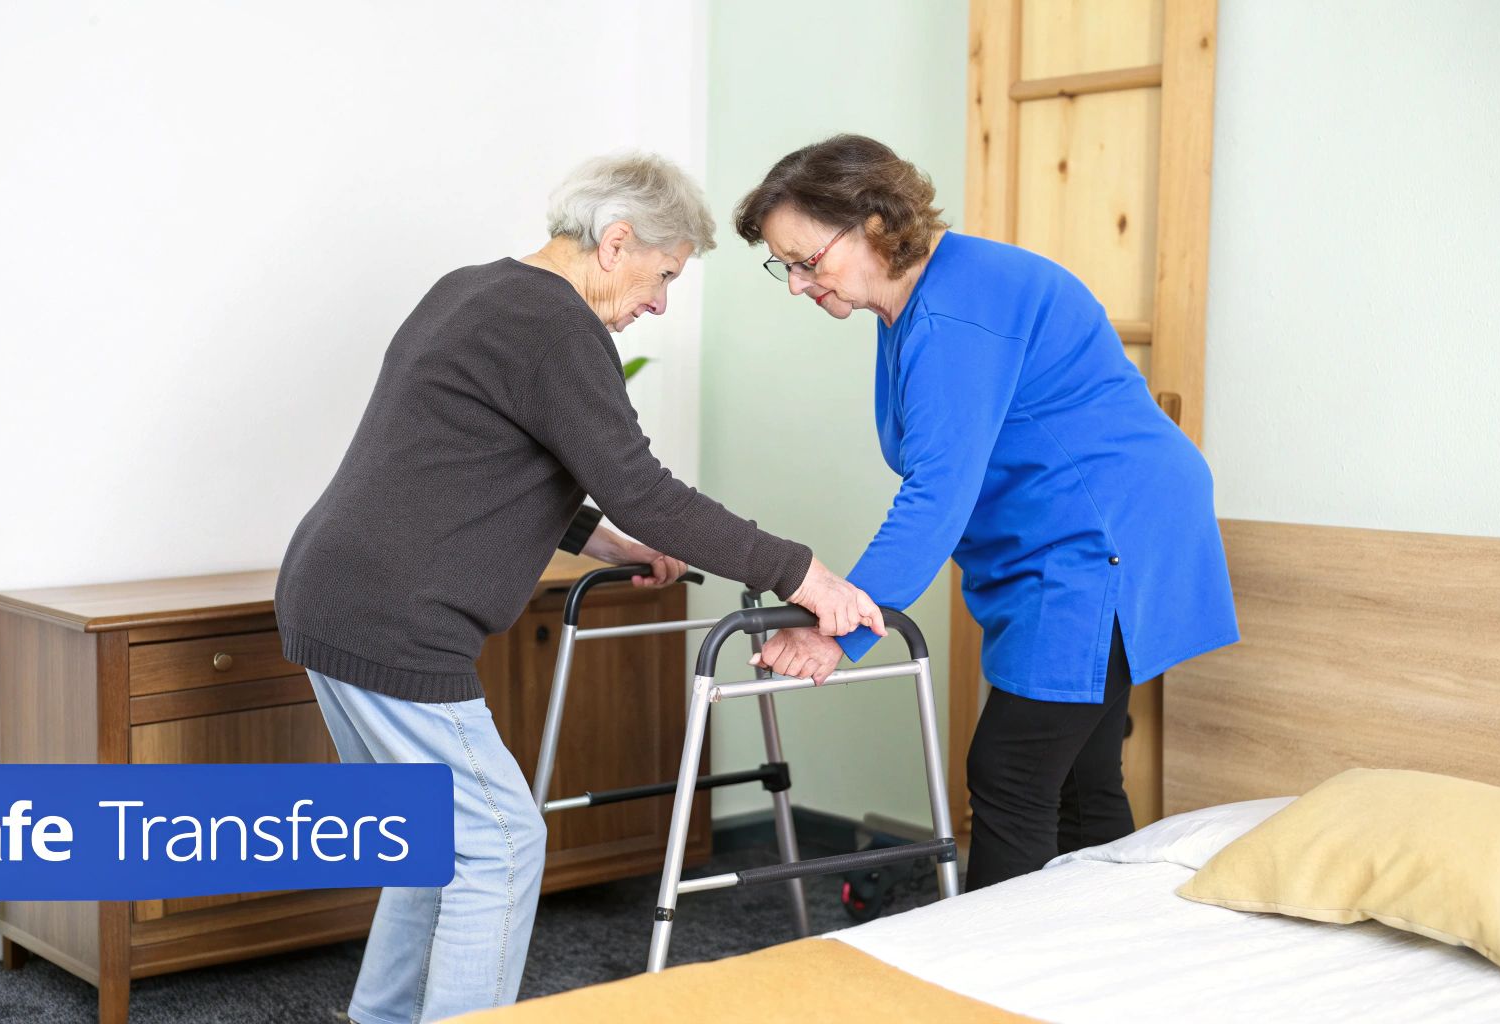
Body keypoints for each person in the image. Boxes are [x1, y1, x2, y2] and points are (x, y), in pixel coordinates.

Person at [274, 152, 884, 1023]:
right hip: (394, 618)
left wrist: (597, 539)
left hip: (331, 593)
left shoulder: (476, 289)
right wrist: (803, 572)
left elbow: (457, 461)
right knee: (504, 844)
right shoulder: (555, 326)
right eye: (663, 274)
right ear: (617, 241)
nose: (662, 301)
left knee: (433, 842)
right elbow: (647, 486)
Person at [737, 135, 1238, 890]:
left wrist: (839, 627)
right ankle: (1108, 960)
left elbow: (937, 493)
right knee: (1079, 775)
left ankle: (986, 987)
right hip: (1082, 531)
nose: (797, 285)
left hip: (1098, 540)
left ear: (873, 224)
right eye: (786, 266)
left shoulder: (952, 315)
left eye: (807, 261)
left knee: (1013, 770)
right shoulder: (924, 298)